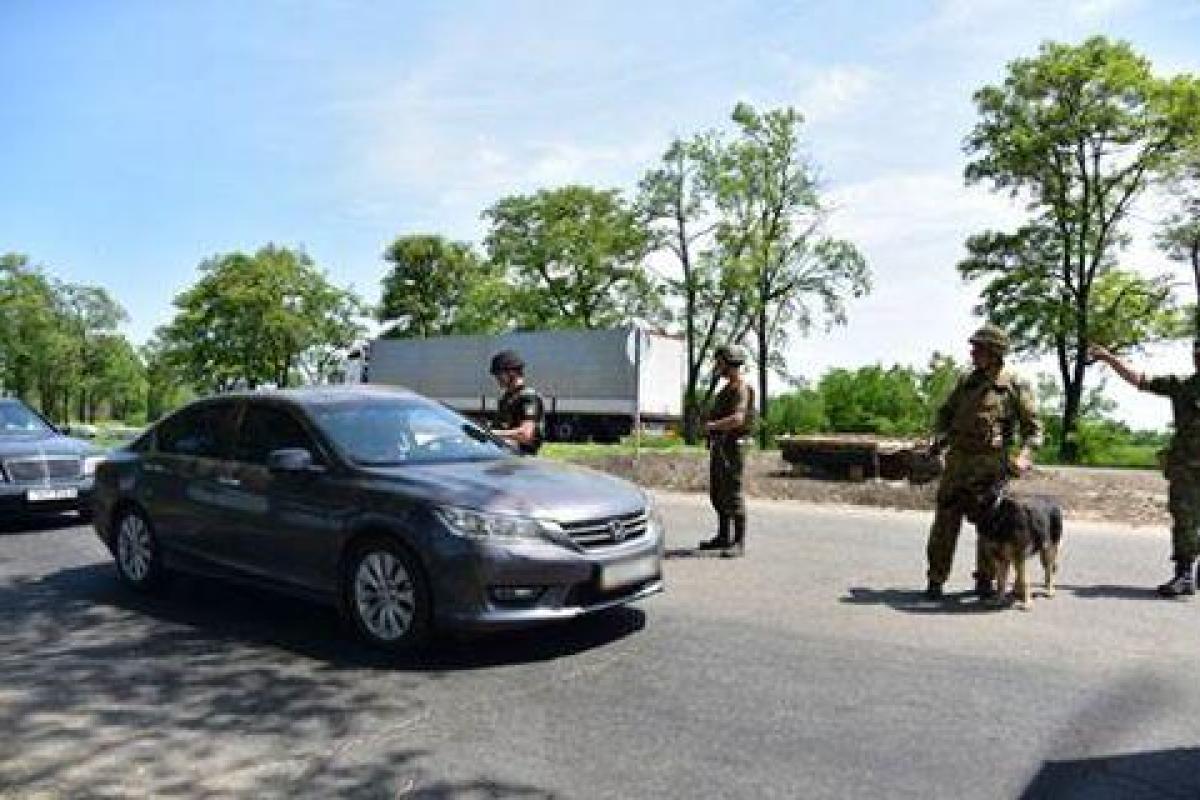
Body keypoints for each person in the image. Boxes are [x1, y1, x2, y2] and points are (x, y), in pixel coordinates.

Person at [924, 323, 1042, 600]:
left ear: (995, 352)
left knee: (990, 526)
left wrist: (1024, 456)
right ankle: (935, 579)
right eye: (973, 347)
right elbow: (946, 415)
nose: (972, 352)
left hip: (990, 467)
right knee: (944, 523)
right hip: (957, 464)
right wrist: (938, 439)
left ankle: (986, 580)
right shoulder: (966, 380)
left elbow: (1034, 430)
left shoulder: (1014, 384)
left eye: (978, 348)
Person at [1088, 341, 1200, 596]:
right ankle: (1184, 575)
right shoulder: (1182, 385)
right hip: (1186, 467)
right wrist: (1109, 358)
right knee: (1185, 519)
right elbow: (1138, 380)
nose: (1198, 360)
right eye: (1197, 355)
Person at [698, 344, 755, 557]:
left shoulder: (740, 388)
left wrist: (713, 426)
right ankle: (723, 536)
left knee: (732, 493)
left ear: (729, 363)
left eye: (719, 362)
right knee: (718, 493)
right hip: (720, 446)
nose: (717, 366)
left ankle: (739, 542)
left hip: (733, 447)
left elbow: (738, 418)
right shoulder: (725, 389)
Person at [489, 349, 545, 456]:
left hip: (521, 460)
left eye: (499, 374)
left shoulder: (528, 397)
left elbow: (525, 434)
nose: (497, 378)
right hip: (504, 456)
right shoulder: (507, 397)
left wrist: (491, 433)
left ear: (512, 372)